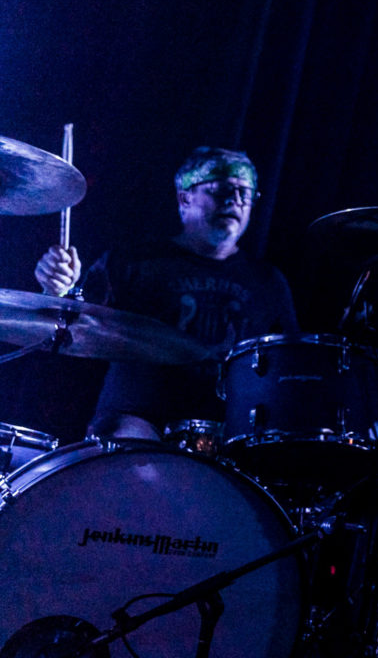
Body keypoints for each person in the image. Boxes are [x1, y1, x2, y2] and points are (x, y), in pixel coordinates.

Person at [34, 146, 297, 439]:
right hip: (137, 420)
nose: (234, 201)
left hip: (231, 431)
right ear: (185, 199)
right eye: (221, 190)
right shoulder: (132, 263)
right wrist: (56, 290)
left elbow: (287, 368)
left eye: (244, 194)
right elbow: (68, 326)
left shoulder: (268, 282)